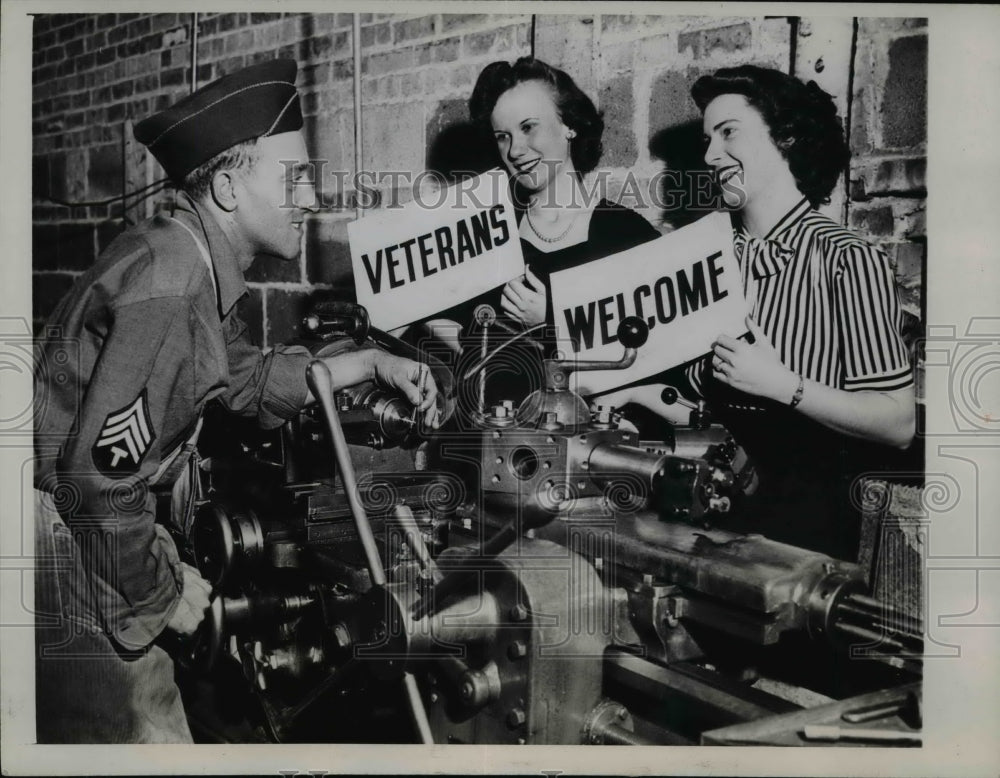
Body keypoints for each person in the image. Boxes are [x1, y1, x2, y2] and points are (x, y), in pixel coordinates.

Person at [32, 59, 440, 743]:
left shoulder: (185, 250)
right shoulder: (175, 278)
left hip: (84, 525)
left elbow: (239, 375)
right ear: (227, 185)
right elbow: (97, 481)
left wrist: (365, 362)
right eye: (295, 178)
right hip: (63, 535)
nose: (311, 198)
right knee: (135, 740)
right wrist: (165, 596)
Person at [622, 65, 914, 560]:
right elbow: (704, 411)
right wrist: (631, 390)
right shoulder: (705, 261)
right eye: (707, 139)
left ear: (788, 136)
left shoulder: (846, 258)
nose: (712, 155)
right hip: (706, 516)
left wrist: (783, 385)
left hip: (805, 533)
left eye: (729, 132)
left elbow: (898, 423)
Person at [426, 57, 660, 409]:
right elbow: (449, 328)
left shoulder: (625, 234)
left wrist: (553, 323)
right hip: (497, 435)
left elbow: (658, 352)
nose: (515, 151)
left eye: (528, 127)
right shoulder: (487, 233)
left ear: (569, 125)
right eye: (502, 137)